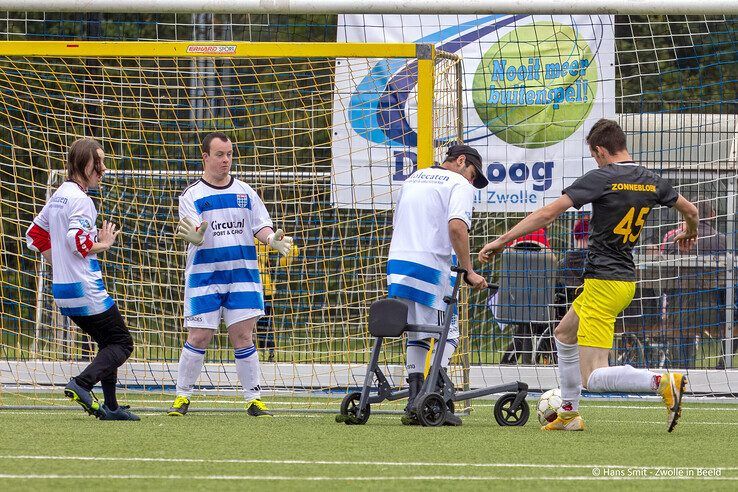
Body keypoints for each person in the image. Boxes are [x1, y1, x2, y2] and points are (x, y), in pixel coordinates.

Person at [479, 118, 699, 432]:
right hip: (621, 280)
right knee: (563, 334)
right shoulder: (652, 180)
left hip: (603, 283)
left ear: (599, 151)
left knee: (593, 376)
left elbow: (547, 213)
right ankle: (569, 414)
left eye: (594, 155)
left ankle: (664, 382)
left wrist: (501, 241)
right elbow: (691, 211)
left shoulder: (602, 177)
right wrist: (687, 233)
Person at [168, 132, 294, 418]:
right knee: (199, 336)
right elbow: (194, 232)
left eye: (229, 154)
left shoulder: (246, 192)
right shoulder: (192, 195)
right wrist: (196, 237)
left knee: (243, 336)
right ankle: (181, 397)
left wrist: (271, 239)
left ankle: (254, 399)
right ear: (205, 157)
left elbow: (260, 226)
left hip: (242, 275)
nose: (226, 160)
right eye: (220, 155)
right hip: (205, 277)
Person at [25, 137, 139, 421]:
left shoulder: (60, 195)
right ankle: (82, 383)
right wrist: (105, 242)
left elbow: (34, 235)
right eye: (97, 162)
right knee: (122, 343)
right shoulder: (83, 201)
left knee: (107, 342)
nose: (103, 169)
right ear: (82, 163)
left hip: (64, 288)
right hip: (85, 288)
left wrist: (60, 264)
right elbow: (76, 242)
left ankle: (111, 407)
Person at [388, 144, 488, 426]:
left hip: (397, 263)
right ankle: (435, 393)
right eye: (472, 174)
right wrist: (468, 270)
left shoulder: (414, 178)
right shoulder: (459, 184)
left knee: (416, 332)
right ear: (460, 161)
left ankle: (415, 398)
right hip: (431, 266)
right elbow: (457, 227)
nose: (471, 181)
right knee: (450, 332)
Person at [255, 241, 299, 362]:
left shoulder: (262, 238)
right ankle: (256, 350)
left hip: (264, 285)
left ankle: (268, 351)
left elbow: (283, 259)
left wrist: (291, 249)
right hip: (247, 284)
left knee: (265, 320)